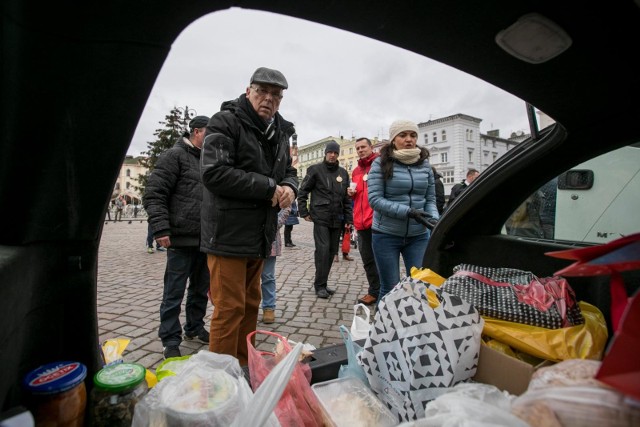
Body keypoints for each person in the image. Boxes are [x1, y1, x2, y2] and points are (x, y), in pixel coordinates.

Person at [200, 67, 298, 366]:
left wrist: (290, 188)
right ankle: (220, 379)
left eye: (276, 95)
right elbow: (214, 173)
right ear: (248, 91)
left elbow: (289, 172)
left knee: (251, 303)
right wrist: (270, 187)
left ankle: (243, 367)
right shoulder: (226, 121)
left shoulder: (280, 131)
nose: (268, 99)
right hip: (227, 233)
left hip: (259, 233)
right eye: (262, 92)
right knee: (229, 308)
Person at [143, 114, 211, 360]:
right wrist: (161, 229)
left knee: (200, 290)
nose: (212, 137)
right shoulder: (174, 155)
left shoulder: (209, 159)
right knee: (174, 291)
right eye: (208, 132)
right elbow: (154, 193)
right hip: (180, 239)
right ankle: (170, 338)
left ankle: (194, 326)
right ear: (195, 132)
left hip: (205, 239)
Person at [368, 120, 439, 304]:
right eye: (403, 135)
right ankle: (382, 330)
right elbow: (375, 199)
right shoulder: (380, 163)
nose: (409, 139)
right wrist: (408, 212)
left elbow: (430, 199)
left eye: (413, 135)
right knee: (390, 288)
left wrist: (434, 219)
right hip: (386, 235)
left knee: (419, 285)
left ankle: (413, 328)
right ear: (393, 139)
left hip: (418, 235)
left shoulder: (425, 165)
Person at [298, 140, 353, 299]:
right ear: (325, 153)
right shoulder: (315, 170)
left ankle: (323, 283)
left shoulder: (343, 173)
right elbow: (303, 192)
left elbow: (347, 198)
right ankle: (319, 285)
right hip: (321, 217)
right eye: (330, 152)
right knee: (322, 251)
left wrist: (349, 218)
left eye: (335, 152)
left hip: (337, 218)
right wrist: (304, 211)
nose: (332, 155)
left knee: (331, 252)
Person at [347, 137, 381, 306]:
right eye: (358, 148)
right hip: (360, 222)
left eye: (363, 147)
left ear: (371, 147)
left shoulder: (380, 165)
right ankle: (374, 291)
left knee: (381, 259)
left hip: (377, 221)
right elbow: (358, 194)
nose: (360, 150)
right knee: (367, 259)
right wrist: (351, 194)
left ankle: (386, 291)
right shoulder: (356, 171)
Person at [260, 205, 291, 324]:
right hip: (248, 236)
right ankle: (247, 306)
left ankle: (269, 307)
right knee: (247, 276)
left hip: (270, 237)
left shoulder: (280, 186)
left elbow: (286, 207)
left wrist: (273, 223)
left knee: (267, 275)